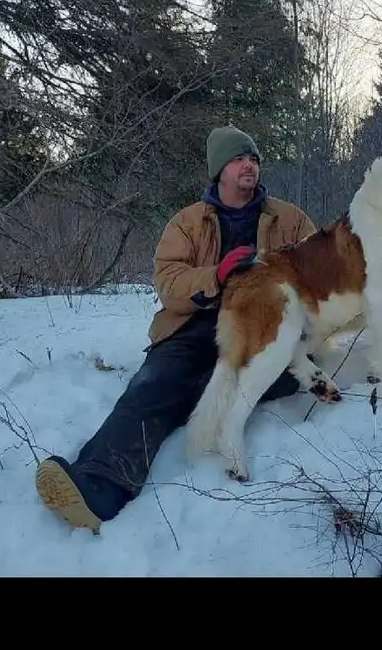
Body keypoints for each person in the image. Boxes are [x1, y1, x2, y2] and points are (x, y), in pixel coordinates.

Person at [35, 126, 316, 532]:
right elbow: (168, 285)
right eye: (239, 158)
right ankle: (98, 489)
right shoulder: (187, 223)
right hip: (193, 326)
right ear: (219, 169)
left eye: (253, 158)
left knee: (266, 376)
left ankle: (199, 401)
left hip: (263, 330)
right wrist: (215, 275)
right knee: (153, 386)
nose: (249, 165)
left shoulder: (289, 219)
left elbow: (318, 270)